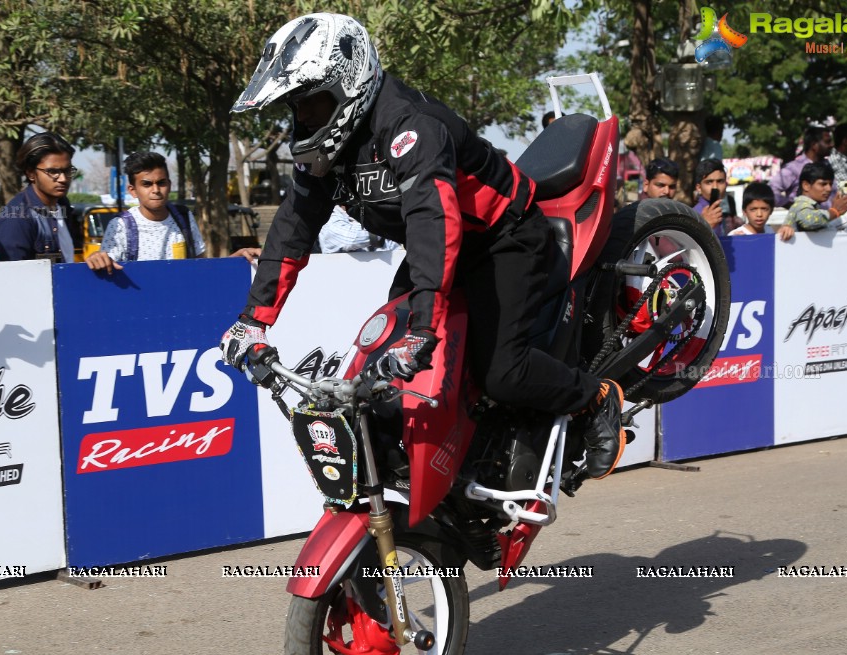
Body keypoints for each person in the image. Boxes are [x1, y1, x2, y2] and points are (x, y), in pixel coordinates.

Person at [218, 13, 624, 481]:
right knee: (380, 371)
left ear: (349, 84)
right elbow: (292, 229)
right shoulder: (327, 150)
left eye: (311, 102)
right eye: (295, 105)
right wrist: (253, 321)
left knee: (502, 373)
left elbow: (434, 219)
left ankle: (594, 399)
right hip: (436, 250)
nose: (303, 116)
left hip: (501, 237)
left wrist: (424, 328)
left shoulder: (410, 125)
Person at [85, 151, 206, 273]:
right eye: (147, 184)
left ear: (169, 185)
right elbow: (107, 266)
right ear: (133, 190)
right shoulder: (121, 226)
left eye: (161, 183)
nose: (156, 190)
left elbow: (200, 264)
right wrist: (98, 258)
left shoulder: (184, 217)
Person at [0, 132, 78, 262]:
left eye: (67, 171)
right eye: (53, 172)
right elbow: (12, 276)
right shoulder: (16, 218)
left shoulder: (63, 206)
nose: (63, 179)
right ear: (31, 173)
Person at [770, 126, 835, 208]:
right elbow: (770, 191)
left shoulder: (828, 165)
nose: (832, 145)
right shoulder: (793, 168)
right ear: (814, 145)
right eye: (827, 142)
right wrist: (792, 205)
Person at [779, 162, 841, 238]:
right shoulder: (801, 205)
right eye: (823, 184)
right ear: (806, 185)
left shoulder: (812, 206)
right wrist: (834, 211)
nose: (829, 189)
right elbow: (809, 221)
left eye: (830, 184)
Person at [315, 205, 399, 254]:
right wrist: (391, 222)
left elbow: (394, 248)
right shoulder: (330, 216)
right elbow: (352, 238)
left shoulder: (365, 212)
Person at [692, 159, 743, 237]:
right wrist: (703, 226)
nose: (715, 187)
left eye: (720, 181)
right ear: (699, 188)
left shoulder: (721, 211)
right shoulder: (694, 215)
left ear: (726, 185)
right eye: (709, 182)